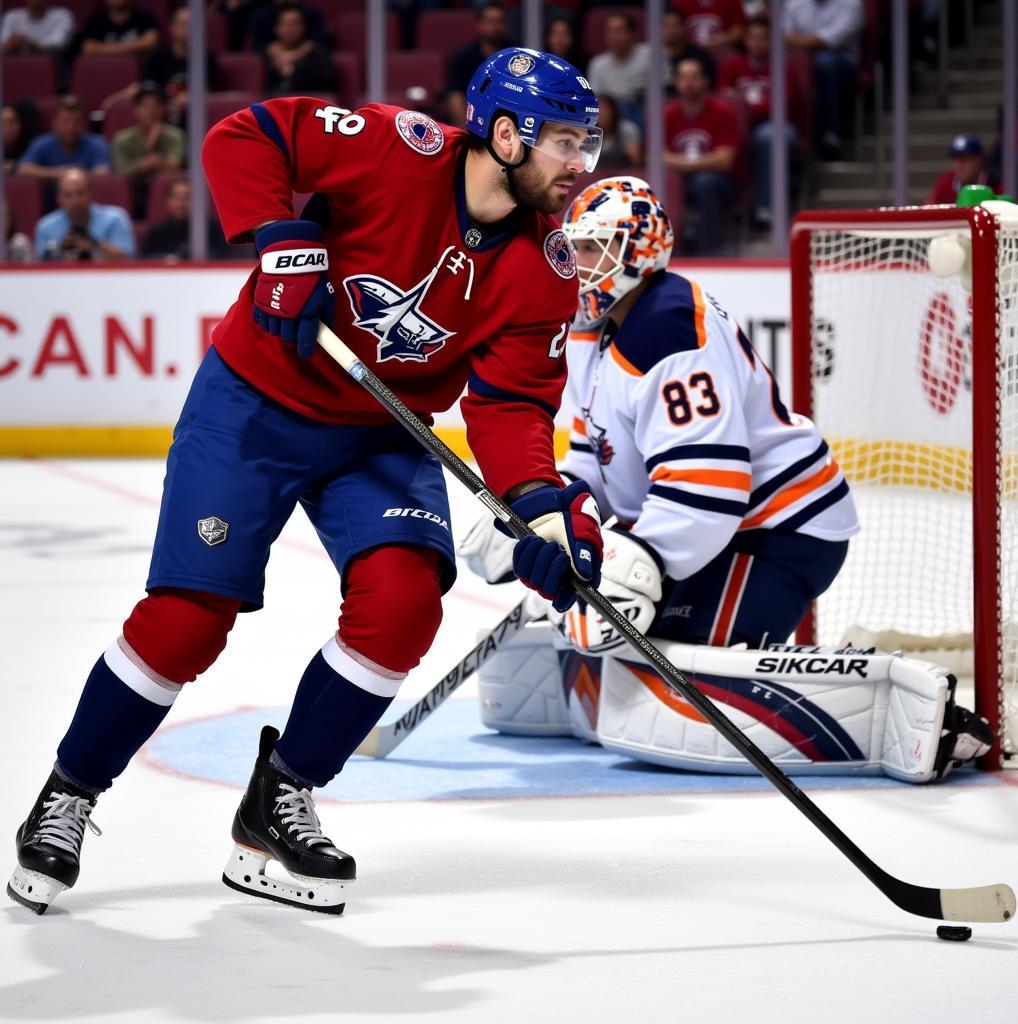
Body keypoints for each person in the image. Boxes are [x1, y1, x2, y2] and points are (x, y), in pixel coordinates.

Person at [7, 47, 605, 917]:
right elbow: (245, 136)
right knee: (186, 621)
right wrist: (280, 237)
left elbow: (511, 404)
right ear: (504, 135)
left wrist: (541, 510)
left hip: (378, 433)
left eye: (587, 144)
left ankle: (279, 797)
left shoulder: (548, 268)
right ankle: (71, 788)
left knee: (404, 605)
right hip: (254, 405)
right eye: (563, 143)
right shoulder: (396, 147)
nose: (580, 166)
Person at [460, 175, 994, 784]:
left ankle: (898, 719)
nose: (575, 264)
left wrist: (643, 561)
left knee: (661, 668)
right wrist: (548, 514)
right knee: (614, 639)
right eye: (573, 246)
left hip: (779, 530)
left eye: (591, 248)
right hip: (717, 531)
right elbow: (596, 460)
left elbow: (710, 484)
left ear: (639, 248)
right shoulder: (590, 328)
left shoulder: (670, 327)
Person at [719, 15, 800, 226]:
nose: (757, 43)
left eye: (763, 38)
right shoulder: (733, 64)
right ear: (745, 40)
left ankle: (766, 208)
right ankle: (736, 204)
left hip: (776, 125)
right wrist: (746, 110)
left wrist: (745, 108)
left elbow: (781, 103)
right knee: (727, 141)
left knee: (767, 137)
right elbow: (722, 99)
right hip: (738, 125)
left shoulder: (782, 66)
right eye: (752, 38)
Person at [664, 57, 741, 255]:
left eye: (694, 77)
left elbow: (724, 161)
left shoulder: (723, 112)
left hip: (723, 183)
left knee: (704, 181)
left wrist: (680, 163)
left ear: (706, 81)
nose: (688, 83)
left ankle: (709, 251)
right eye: (683, 78)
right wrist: (702, 162)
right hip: (680, 180)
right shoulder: (668, 114)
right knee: (663, 182)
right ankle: (665, 251)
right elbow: (655, 158)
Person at [784, 0, 863, 161]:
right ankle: (794, 130)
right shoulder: (794, 3)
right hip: (800, 59)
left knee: (824, 62)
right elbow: (782, 35)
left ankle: (829, 134)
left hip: (842, 60)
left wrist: (797, 42)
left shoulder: (851, 3)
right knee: (785, 66)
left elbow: (827, 41)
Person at [111, 82, 185, 218]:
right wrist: (146, 162)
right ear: (136, 110)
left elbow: (176, 165)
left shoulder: (175, 135)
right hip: (134, 193)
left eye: (156, 106)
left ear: (164, 109)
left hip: (166, 193)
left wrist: (153, 160)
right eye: (145, 106)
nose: (151, 111)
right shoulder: (121, 139)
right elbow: (120, 173)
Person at [33, 166, 134, 260]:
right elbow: (39, 269)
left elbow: (128, 260)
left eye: (80, 193)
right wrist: (58, 250)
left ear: (91, 193)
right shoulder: (45, 227)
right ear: (58, 199)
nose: (75, 201)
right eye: (68, 195)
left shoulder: (115, 219)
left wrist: (94, 245)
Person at [140, 6, 219, 126]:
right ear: (172, 28)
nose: (187, 28)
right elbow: (149, 90)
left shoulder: (206, 57)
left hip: (197, 121)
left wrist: (191, 98)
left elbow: (211, 93)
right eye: (182, 24)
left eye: (191, 24)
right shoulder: (157, 57)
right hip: (162, 122)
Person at [140, 177, 241, 261]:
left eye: (187, 197)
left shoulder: (213, 229)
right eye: (177, 198)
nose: (181, 204)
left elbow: (227, 257)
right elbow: (146, 259)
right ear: (167, 201)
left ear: (198, 200)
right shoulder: (157, 232)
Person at [444, 2, 511, 127]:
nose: (496, 27)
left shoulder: (514, 56)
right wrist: (467, 131)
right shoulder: (463, 56)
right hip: (472, 121)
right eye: (491, 22)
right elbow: (455, 96)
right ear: (479, 25)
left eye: (500, 21)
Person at [15, 95, 111, 181]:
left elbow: (103, 173)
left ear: (84, 124)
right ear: (55, 123)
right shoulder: (42, 143)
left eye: (76, 121)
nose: (70, 127)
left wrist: (72, 175)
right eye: (65, 121)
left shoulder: (96, 143)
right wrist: (57, 173)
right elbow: (23, 169)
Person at [586, 11, 650, 130]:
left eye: (620, 30)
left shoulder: (650, 55)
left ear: (632, 33)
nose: (614, 36)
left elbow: (667, 90)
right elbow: (597, 102)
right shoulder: (597, 64)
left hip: (645, 113)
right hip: (613, 120)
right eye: (610, 31)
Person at [264, 3, 336, 98]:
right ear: (277, 28)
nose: (290, 29)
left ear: (303, 27)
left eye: (295, 24)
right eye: (285, 24)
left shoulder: (318, 53)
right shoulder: (266, 55)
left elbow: (326, 81)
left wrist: (294, 71)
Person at [925, 133, 991, 206]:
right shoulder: (945, 183)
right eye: (955, 160)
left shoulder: (994, 184)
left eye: (964, 159)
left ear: (978, 160)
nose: (959, 166)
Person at [81, 0, 160, 57]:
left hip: (139, 70)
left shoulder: (144, 17)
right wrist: (134, 47)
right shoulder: (95, 20)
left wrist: (104, 48)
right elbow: (88, 48)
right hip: (103, 69)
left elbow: (150, 42)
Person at [663, 8, 716, 87]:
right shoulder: (652, 58)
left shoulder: (701, 56)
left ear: (684, 27)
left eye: (675, 25)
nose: (671, 30)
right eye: (666, 26)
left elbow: (709, 87)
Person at [1, 0, 73, 55]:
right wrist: (10, 44)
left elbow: (58, 45)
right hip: (15, 65)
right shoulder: (11, 16)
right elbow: (3, 45)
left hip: (53, 66)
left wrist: (27, 42)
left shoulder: (62, 16)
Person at [672, 0, 746, 50]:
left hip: (722, 52)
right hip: (689, 53)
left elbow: (739, 31)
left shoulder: (731, 1)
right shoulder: (680, 3)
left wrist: (723, 40)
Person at [596, 94, 642, 168]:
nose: (602, 114)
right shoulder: (588, 133)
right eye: (599, 110)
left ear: (613, 111)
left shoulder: (628, 130)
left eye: (605, 110)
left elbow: (636, 160)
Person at [3, 101, 43, 174]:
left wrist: (14, 166)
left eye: (12, 121)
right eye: (2, 123)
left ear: (21, 124)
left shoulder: (34, 146)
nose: (8, 127)